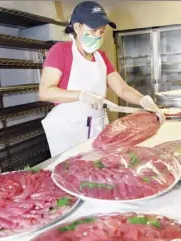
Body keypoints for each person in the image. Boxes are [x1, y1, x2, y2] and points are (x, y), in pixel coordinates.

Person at [39, 0, 165, 157]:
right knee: (73, 173)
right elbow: (45, 92)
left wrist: (144, 100)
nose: (98, 36)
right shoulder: (60, 51)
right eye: (93, 31)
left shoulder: (101, 57)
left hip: (96, 126)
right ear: (77, 27)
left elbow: (122, 89)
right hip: (68, 128)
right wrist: (80, 95)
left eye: (102, 31)